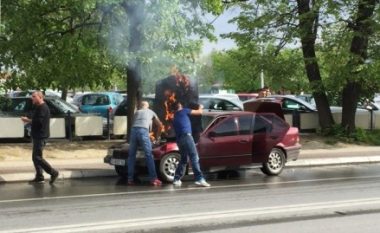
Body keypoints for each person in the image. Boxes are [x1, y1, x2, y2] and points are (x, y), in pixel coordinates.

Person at [21, 91, 59, 184]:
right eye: (32, 96)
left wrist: (28, 120)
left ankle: (53, 172)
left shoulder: (43, 108)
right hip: (37, 135)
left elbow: (39, 122)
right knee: (35, 157)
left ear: (40, 97)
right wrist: (30, 118)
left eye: (34, 96)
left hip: (41, 136)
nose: (32, 98)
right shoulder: (39, 107)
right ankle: (39, 176)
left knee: (37, 157)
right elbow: (36, 118)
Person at [172, 101, 210, 187]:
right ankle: (199, 178)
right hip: (187, 137)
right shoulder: (184, 111)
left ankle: (176, 179)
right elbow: (199, 112)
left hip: (179, 140)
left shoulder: (174, 117)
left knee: (184, 159)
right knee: (194, 157)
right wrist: (201, 106)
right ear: (180, 106)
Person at [127, 101, 163, 186]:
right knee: (149, 155)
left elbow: (135, 124)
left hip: (133, 131)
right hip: (143, 131)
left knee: (131, 155)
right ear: (148, 106)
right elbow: (160, 125)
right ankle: (153, 179)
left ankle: (130, 179)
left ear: (141, 106)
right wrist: (157, 137)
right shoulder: (151, 112)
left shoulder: (137, 112)